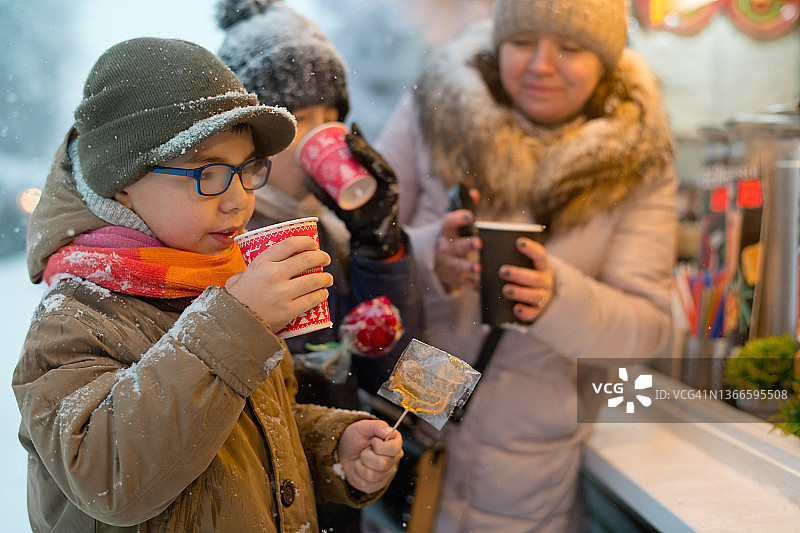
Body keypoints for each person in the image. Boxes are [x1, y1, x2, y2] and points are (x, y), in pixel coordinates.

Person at [12, 37, 403, 533]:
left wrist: (333, 446)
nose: (238, 199)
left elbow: (245, 432)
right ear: (123, 183)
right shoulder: (75, 318)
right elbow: (109, 477)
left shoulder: (218, 278)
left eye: (245, 171)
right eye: (208, 173)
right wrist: (237, 324)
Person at [375, 0, 678, 530]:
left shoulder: (640, 158)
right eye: (521, 43)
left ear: (606, 60)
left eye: (570, 47)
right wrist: (428, 256)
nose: (540, 65)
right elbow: (355, 249)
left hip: (533, 462)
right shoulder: (437, 110)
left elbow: (648, 331)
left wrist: (557, 299)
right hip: (411, 420)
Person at [215, 2, 423, 531]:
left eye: (331, 116)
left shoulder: (327, 227)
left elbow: (388, 368)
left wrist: (381, 243)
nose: (321, 134)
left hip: (335, 491)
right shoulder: (227, 240)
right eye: (299, 119)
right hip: (272, 502)